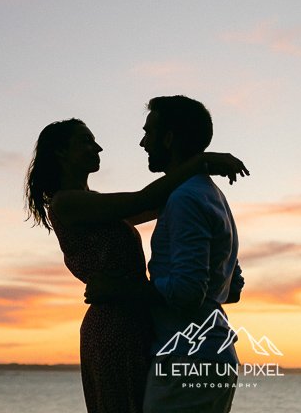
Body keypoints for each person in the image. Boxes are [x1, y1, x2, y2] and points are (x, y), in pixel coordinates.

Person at [25, 117, 246, 413]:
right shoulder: (67, 203)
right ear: (61, 152)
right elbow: (145, 199)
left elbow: (158, 204)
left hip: (139, 322)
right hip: (113, 326)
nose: (98, 147)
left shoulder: (99, 207)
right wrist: (201, 161)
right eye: (86, 141)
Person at [87, 96, 245, 413]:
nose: (143, 142)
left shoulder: (186, 199)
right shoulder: (211, 195)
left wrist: (119, 290)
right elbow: (233, 287)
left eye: (149, 132)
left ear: (169, 138)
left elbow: (188, 291)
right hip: (209, 357)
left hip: (187, 361)